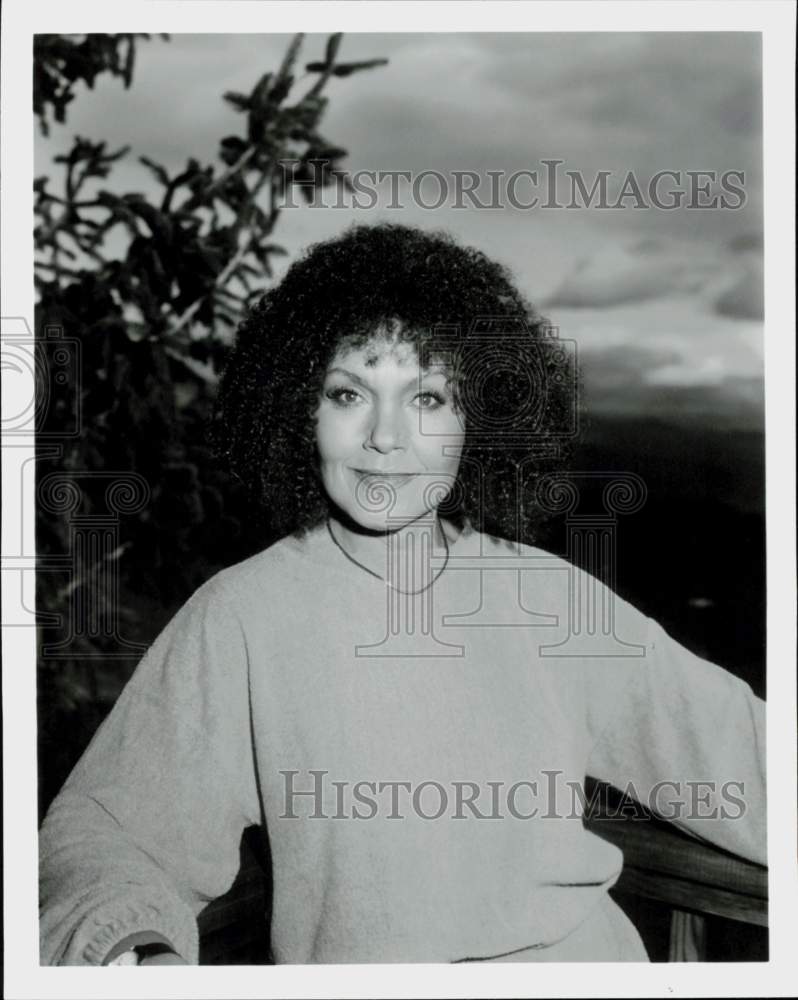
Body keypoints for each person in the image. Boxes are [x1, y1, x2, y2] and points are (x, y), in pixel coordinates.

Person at [39, 223, 766, 966]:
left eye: (427, 397)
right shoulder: (243, 617)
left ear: (476, 420)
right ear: (299, 409)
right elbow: (108, 829)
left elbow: (740, 755)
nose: (386, 437)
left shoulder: (551, 600)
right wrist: (130, 947)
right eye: (349, 392)